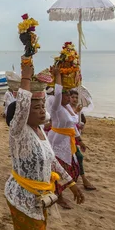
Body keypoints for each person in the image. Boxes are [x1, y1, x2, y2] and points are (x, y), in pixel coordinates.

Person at [0, 61, 84, 230]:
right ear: (24, 113)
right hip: (21, 197)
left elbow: (52, 160)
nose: (42, 110)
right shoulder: (18, 131)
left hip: (41, 196)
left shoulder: (40, 130)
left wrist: (71, 184)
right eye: (36, 107)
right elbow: (22, 106)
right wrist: (26, 78)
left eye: (43, 106)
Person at [45, 68, 82, 209]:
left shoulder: (68, 107)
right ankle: (58, 196)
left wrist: (80, 139)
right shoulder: (56, 106)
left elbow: (73, 124)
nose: (68, 97)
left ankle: (59, 192)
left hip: (67, 141)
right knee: (59, 169)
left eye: (68, 95)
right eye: (66, 95)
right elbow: (59, 92)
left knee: (74, 169)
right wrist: (58, 76)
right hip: (57, 140)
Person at [69, 90, 96, 191]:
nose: (75, 99)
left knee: (77, 157)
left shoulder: (79, 111)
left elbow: (79, 124)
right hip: (65, 137)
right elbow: (68, 122)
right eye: (73, 97)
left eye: (76, 98)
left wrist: (80, 126)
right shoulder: (66, 108)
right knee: (78, 157)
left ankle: (81, 179)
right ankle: (83, 180)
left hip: (73, 137)